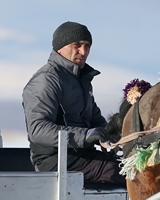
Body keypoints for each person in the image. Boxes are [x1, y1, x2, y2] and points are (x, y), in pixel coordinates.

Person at [22, 21, 125, 186]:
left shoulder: (82, 79)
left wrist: (118, 135)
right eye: (76, 45)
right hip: (56, 160)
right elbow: (38, 129)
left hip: (82, 155)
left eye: (87, 46)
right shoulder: (46, 80)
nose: (83, 51)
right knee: (131, 175)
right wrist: (85, 136)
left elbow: (96, 120)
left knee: (141, 167)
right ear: (60, 47)